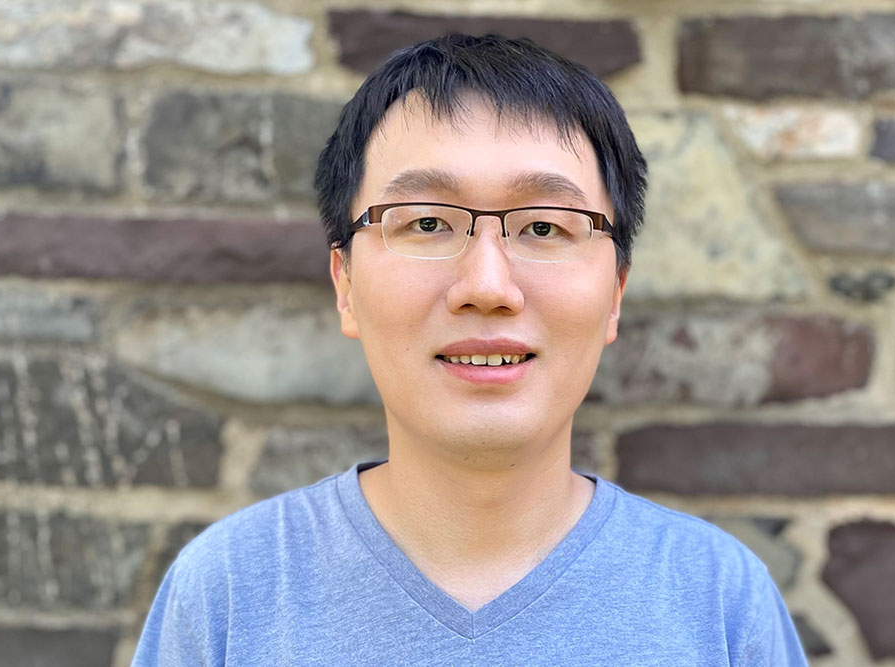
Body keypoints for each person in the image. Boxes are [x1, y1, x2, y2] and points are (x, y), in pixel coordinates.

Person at [132, 34, 808, 666]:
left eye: (544, 225)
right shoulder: (229, 593)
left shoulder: (718, 603)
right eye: (427, 221)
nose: (487, 287)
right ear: (344, 285)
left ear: (615, 294)